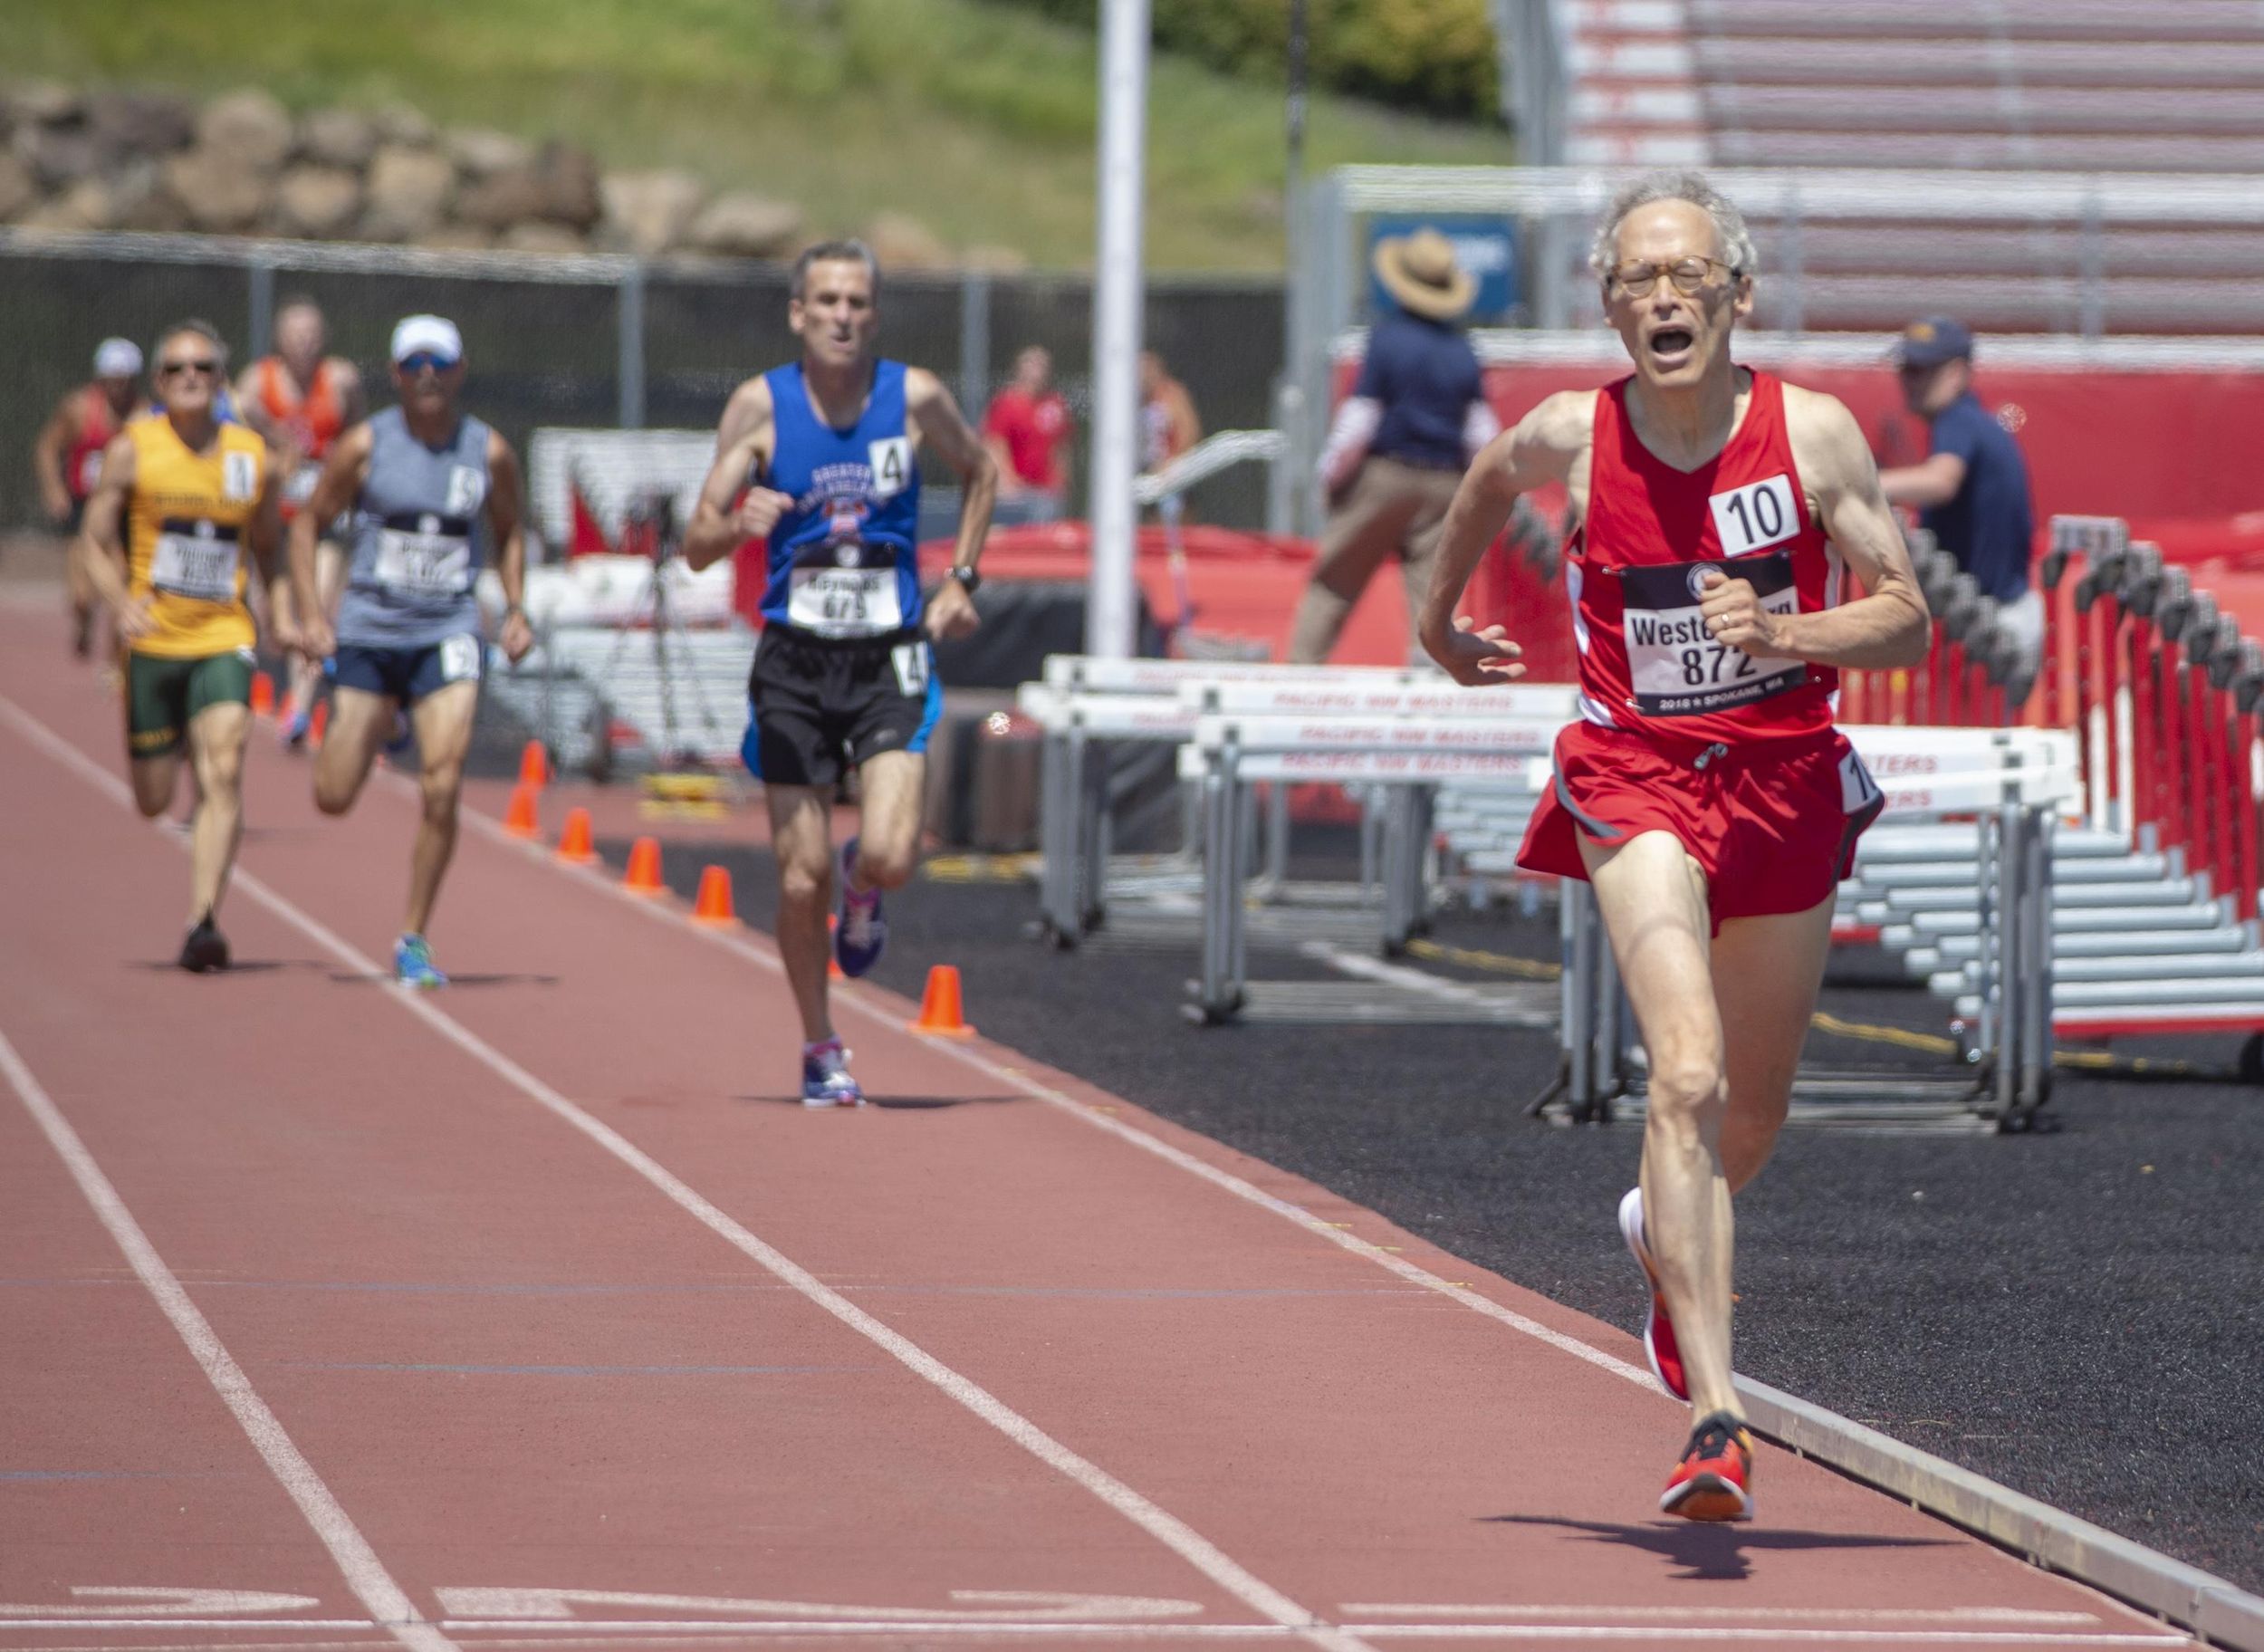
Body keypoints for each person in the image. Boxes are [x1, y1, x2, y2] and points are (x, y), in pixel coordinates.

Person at [1418, 173, 1929, 1522]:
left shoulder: (1811, 439)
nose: (1663, 298)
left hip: (1784, 781)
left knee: (1745, 1117)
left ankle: (1659, 1234)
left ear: (1735, 295)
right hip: (1636, 775)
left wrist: (1786, 636)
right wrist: (1435, 623)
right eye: (1639, 279)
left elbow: (1907, 616)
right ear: (1610, 304)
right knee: (1684, 1074)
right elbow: (1477, 485)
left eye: (1688, 277)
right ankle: (1716, 1415)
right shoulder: (1572, 440)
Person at [685, 240, 996, 1108]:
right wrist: (737, 523)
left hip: (888, 653)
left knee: (892, 852)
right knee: (795, 875)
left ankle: (864, 891)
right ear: (798, 313)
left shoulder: (915, 398)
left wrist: (961, 579)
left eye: (857, 302)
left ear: (875, 314)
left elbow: (983, 471)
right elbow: (694, 543)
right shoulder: (759, 407)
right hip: (793, 663)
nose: (843, 316)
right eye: (826, 301)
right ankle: (820, 1044)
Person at [287, 315, 532, 988]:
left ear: (458, 372)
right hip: (371, 628)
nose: (428, 374)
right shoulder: (365, 446)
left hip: (447, 630)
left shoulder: (488, 451)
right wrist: (311, 613)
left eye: (441, 363)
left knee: (445, 780)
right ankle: (381, 723)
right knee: (332, 795)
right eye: (414, 362)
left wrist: (514, 609)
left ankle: (414, 937)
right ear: (395, 374)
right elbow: (307, 525)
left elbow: (510, 530)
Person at [72, 320, 287, 972]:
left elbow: (271, 544)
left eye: (203, 369)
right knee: (153, 799)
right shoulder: (135, 448)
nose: (191, 378)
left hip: (225, 632)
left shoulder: (252, 456)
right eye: (177, 370)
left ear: (221, 381)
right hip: (155, 640)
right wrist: (119, 601)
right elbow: (93, 536)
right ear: (160, 384)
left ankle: (202, 922)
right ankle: (175, 737)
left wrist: (281, 612)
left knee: (225, 767)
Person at [1290, 227, 1510, 666]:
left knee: (1334, 583)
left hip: (1385, 476)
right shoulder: (1463, 350)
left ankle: (1300, 676)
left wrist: (1332, 478)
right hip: (1446, 483)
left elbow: (1359, 422)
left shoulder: (1386, 340)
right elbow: (1481, 434)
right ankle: (1433, 688)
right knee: (1434, 598)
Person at [235, 296, 366, 749]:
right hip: (275, 518)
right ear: (279, 339)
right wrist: (276, 438)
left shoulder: (341, 380)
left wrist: (340, 462)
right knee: (273, 613)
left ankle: (299, 704)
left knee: (319, 605)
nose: (304, 344)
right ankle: (268, 673)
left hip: (322, 517)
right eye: (295, 335)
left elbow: (359, 433)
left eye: (312, 334)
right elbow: (234, 416)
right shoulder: (259, 380)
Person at [1878, 317, 2039, 669]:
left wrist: (1862, 485)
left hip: (1993, 623)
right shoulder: (1971, 422)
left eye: (1921, 370)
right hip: (1994, 616)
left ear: (1956, 373)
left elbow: (1940, 482)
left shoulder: (1958, 420)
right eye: (1905, 369)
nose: (1908, 381)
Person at [34, 337, 149, 658]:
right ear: (102, 379)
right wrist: (54, 489)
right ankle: (82, 621)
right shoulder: (79, 408)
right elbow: (47, 447)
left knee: (121, 582)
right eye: (113, 380)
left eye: (126, 380)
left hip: (123, 508)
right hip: (84, 505)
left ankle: (117, 658)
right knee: (82, 595)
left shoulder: (144, 414)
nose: (120, 387)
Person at [980, 344, 1070, 525]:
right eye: (1032, 363)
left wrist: (1061, 482)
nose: (1037, 370)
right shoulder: (1006, 403)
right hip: (1016, 493)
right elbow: (994, 445)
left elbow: (1061, 448)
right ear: (1019, 368)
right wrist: (1008, 482)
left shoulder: (1055, 404)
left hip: (1047, 492)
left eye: (1041, 364)